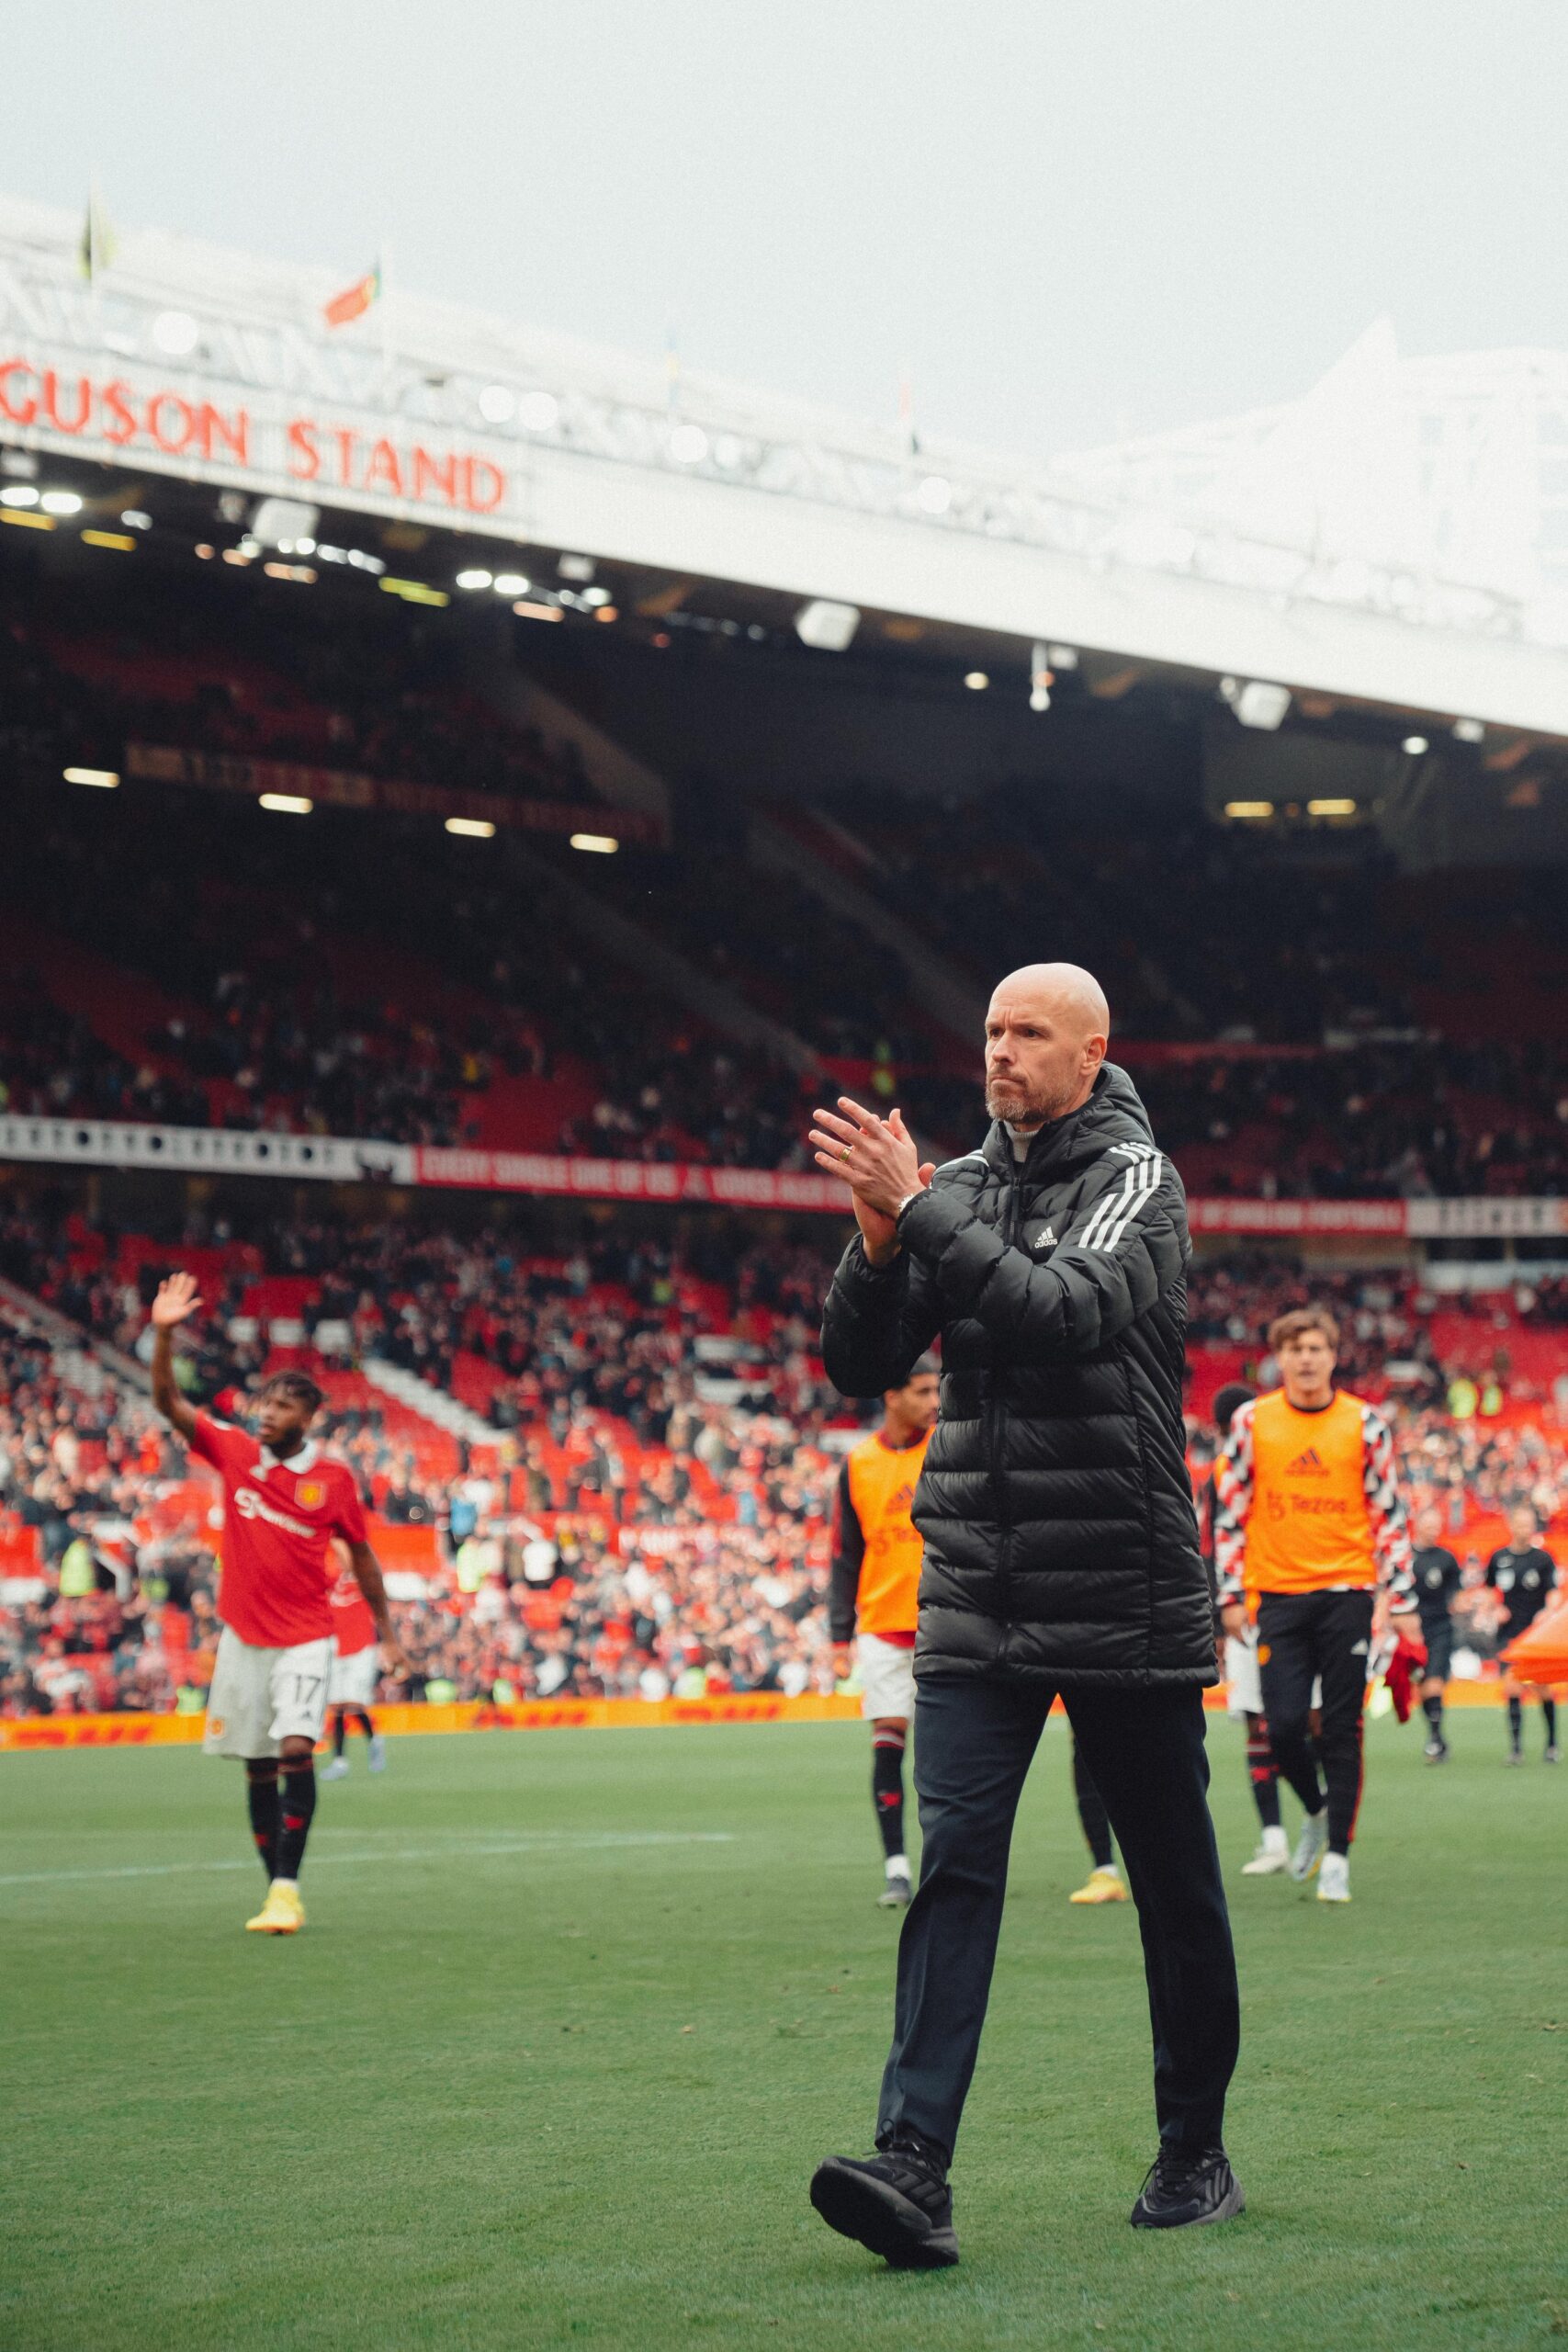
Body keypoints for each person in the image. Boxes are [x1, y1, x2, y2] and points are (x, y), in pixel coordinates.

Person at [806, 961, 1243, 2267]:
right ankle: (912, 2165)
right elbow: (860, 1365)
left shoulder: (1136, 1184)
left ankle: (1191, 2151)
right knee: (954, 1870)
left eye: (1027, 1033)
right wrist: (879, 1245)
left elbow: (1060, 1317)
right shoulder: (952, 1187)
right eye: (990, 1031)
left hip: (1123, 1589)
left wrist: (920, 1215)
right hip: (979, 1600)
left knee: (1171, 1887)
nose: (999, 1053)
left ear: (1090, 1048)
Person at [148, 1272, 409, 1934]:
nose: (265, 1413)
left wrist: (387, 1631)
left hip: (305, 1636)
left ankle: (288, 1886)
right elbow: (167, 1402)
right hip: (244, 1639)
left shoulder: (333, 1479)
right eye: (263, 1402)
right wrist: (164, 1332)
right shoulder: (234, 1452)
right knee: (258, 1766)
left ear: (309, 1419)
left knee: (296, 1747)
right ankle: (277, 1893)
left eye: (282, 1408)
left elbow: (367, 1557)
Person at [1213, 1307, 1417, 1905]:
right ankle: (1317, 1810)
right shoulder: (1253, 1422)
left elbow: (1389, 1516)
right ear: (1278, 1358)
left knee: (1340, 1730)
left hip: (1346, 1593)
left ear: (1333, 1356)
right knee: (1279, 1728)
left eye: (1315, 1348)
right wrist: (1227, 1594)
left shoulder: (1365, 1424)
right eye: (1294, 1348)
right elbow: (1229, 1514)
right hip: (1275, 1595)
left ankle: (1337, 1860)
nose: (1305, 1358)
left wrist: (1399, 1597)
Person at [828, 1358, 941, 1908]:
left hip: (946, 1623)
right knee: (889, 1743)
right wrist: (836, 1636)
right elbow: (844, 1555)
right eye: (922, 1392)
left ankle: (949, 1862)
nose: (933, 1402)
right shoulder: (857, 1464)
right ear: (892, 1397)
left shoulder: (947, 1449)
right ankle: (897, 1868)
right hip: (882, 1627)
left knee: (945, 1756)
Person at [1201, 1382, 1288, 1873]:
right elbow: (1215, 1547)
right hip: (1247, 1610)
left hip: (1292, 1603)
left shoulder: (1281, 1461)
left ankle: (1317, 1813)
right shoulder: (1220, 1476)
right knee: (1258, 1720)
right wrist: (1219, 1615)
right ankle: (1274, 1839)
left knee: (1301, 1723)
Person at [1486, 1503, 1561, 1764]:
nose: (1524, 1529)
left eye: (1529, 1525)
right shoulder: (1498, 1558)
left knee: (1542, 1689)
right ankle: (1516, 1748)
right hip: (1509, 1632)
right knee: (1512, 1687)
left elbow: (1553, 1593)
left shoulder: (1543, 1559)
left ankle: (1552, 1743)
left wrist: (1547, 1613)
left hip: (1535, 1636)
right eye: (1520, 1524)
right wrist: (1495, 1608)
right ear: (1511, 1525)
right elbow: (1487, 1590)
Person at [320, 1544, 389, 1781]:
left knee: (354, 1703)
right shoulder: (332, 1583)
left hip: (361, 1648)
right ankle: (340, 1761)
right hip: (337, 1648)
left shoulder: (364, 1580)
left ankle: (374, 1741)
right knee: (337, 1706)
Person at [1410, 1505, 1463, 1763]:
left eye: (1437, 1526)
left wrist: (1460, 1603)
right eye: (1429, 1525)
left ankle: (1433, 1740)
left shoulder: (1446, 1558)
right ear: (1418, 1524)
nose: (1434, 1531)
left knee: (1434, 1683)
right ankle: (1437, 1737)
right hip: (1412, 1632)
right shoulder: (1405, 1557)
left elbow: (1456, 1592)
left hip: (1440, 1628)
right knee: (1422, 1688)